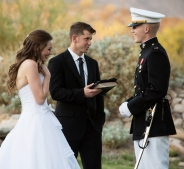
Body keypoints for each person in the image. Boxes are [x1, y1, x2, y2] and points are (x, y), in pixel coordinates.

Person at [0, 30, 80, 169]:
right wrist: (48, 75)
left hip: (39, 118)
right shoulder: (30, 64)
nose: (50, 52)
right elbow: (39, 98)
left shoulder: (31, 64)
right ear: (38, 47)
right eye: (48, 49)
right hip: (36, 120)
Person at [117, 7, 176, 169]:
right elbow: (143, 90)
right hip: (144, 121)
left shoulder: (155, 53)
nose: (132, 30)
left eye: (135, 26)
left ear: (147, 28)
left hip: (154, 121)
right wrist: (129, 102)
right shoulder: (147, 52)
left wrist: (131, 106)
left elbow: (157, 90)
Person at [48, 22, 106, 169]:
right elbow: (55, 92)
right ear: (75, 38)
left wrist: (100, 119)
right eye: (87, 39)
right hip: (68, 126)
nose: (90, 43)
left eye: (90, 39)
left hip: (92, 127)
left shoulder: (93, 63)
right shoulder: (57, 62)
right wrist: (82, 93)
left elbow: (98, 96)